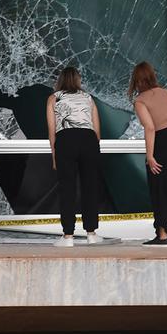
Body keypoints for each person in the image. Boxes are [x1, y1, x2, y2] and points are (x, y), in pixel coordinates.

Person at [129, 61, 167, 247]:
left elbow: (149, 127)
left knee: (160, 187)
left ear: (136, 80)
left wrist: (150, 156)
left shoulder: (140, 100)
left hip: (162, 139)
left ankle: (162, 234)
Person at [46, 66, 104, 247]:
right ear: (78, 80)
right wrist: (94, 148)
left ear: (60, 80)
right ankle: (91, 233)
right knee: (90, 188)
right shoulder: (88, 98)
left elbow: (52, 130)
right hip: (88, 140)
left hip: (66, 139)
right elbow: (97, 129)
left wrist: (55, 155)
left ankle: (68, 236)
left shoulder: (54, 98)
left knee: (67, 188)